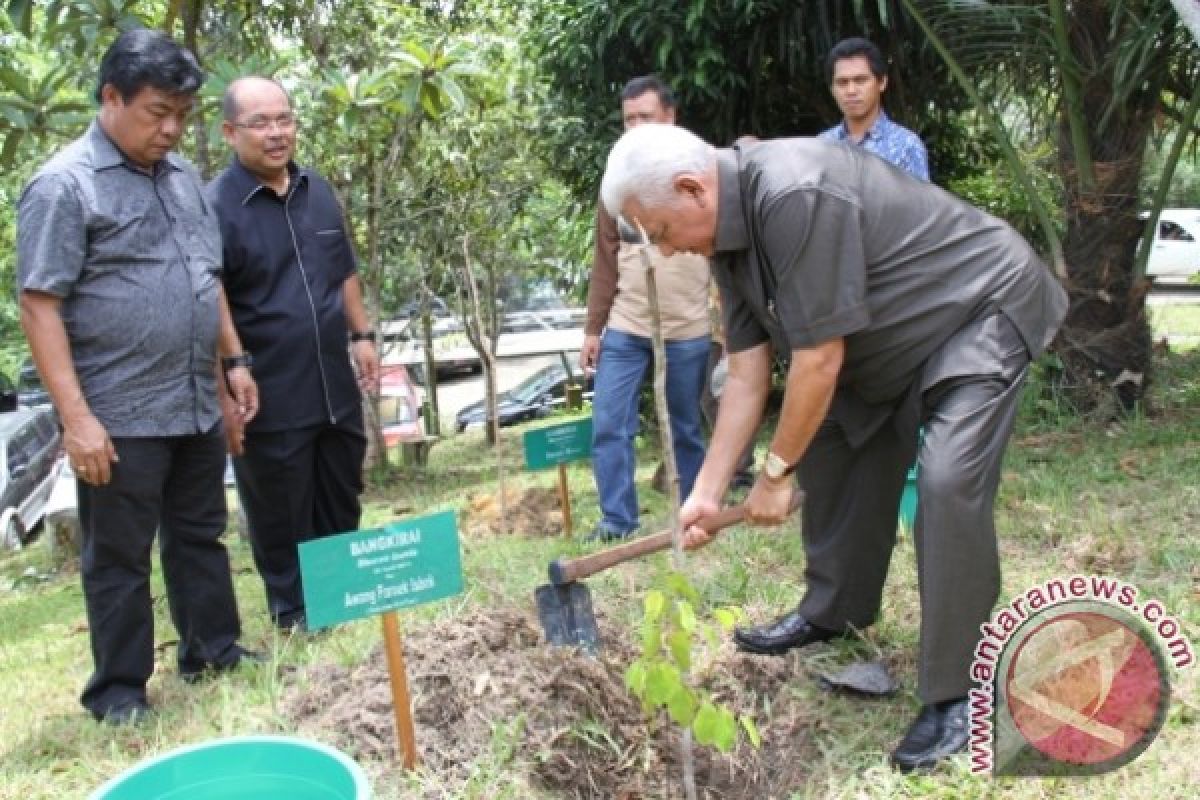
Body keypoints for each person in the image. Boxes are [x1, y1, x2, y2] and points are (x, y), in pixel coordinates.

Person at [600, 125, 1067, 770]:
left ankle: (959, 695)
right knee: (833, 439)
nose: (663, 249)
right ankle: (835, 608)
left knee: (945, 484)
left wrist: (771, 473)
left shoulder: (794, 190)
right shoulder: (727, 245)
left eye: (656, 231)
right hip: (892, 342)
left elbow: (818, 359)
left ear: (690, 188)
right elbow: (745, 374)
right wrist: (707, 492)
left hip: (976, 310)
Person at [17, 29, 260, 725]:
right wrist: (77, 418)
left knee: (199, 531)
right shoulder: (65, 186)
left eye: (182, 113)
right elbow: (40, 303)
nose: (172, 128)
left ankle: (212, 649)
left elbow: (202, 278)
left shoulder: (182, 178)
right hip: (117, 409)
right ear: (111, 97)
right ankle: (120, 690)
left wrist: (231, 364)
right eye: (158, 112)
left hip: (192, 397)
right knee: (119, 555)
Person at [208, 76, 378, 632]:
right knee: (280, 502)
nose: (276, 133)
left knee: (340, 485)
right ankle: (294, 609)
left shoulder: (317, 189)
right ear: (231, 131)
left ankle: (342, 595)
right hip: (269, 384)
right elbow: (213, 295)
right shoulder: (215, 206)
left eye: (284, 119)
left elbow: (342, 268)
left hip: (333, 376)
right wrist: (232, 368)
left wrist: (362, 335)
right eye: (261, 123)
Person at [580, 75, 711, 541]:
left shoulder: (701, 168)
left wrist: (732, 323)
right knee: (609, 423)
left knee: (685, 427)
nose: (636, 126)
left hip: (689, 324)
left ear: (670, 117)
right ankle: (617, 520)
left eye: (646, 116)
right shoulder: (615, 180)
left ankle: (695, 515)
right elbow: (604, 257)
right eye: (629, 118)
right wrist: (594, 329)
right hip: (627, 321)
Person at [818, 37, 929, 181]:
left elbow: (920, 202)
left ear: (882, 82)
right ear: (832, 89)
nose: (851, 90)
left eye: (860, 80)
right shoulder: (821, 145)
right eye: (842, 82)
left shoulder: (906, 146)